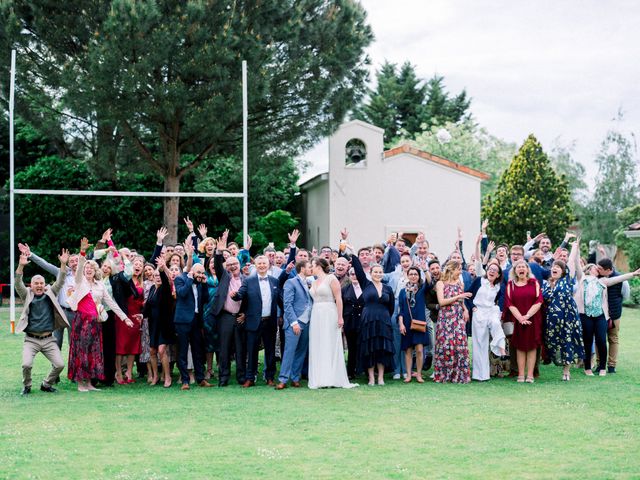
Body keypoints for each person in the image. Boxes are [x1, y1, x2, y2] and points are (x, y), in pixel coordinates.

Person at [68, 238, 134, 392]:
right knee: (82, 352)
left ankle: (90, 383)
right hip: (82, 321)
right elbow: (78, 271)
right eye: (86, 268)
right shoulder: (80, 282)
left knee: (93, 352)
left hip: (95, 322)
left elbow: (112, 303)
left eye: (91, 268)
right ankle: (80, 384)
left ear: (95, 270)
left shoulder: (100, 285)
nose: (89, 270)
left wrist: (125, 318)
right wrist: (83, 252)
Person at [15, 250, 70, 395]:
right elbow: (17, 283)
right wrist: (21, 266)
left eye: (41, 283)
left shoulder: (51, 292)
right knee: (26, 364)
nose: (39, 286)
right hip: (31, 339)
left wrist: (63, 264)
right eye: (36, 283)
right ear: (31, 285)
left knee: (59, 365)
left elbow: (61, 280)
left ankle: (46, 384)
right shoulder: (27, 294)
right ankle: (27, 386)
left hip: (48, 339)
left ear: (45, 284)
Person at [574, 261, 639, 376]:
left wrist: (632, 274)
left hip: (600, 316)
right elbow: (577, 265)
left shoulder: (603, 281)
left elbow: (618, 279)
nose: (598, 270)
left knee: (601, 341)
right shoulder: (582, 280)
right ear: (589, 270)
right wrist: (576, 247)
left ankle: (603, 367)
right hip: (586, 316)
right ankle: (587, 368)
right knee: (587, 342)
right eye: (595, 268)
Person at [307, 257, 357, 389]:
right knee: (318, 343)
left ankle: (332, 377)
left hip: (330, 312)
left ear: (318, 265)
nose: (310, 267)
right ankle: (319, 378)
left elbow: (339, 299)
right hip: (316, 313)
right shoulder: (313, 282)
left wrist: (340, 317)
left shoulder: (331, 279)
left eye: (312, 265)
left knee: (329, 342)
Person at [231, 255, 280, 387]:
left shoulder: (275, 281)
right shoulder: (248, 280)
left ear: (268, 264)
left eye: (264, 263)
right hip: (253, 321)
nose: (262, 265)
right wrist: (235, 296)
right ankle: (250, 378)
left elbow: (279, 300)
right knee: (251, 351)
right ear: (256, 265)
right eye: (259, 264)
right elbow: (241, 293)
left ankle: (270, 377)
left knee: (270, 351)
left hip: (270, 322)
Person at [542, 239, 584, 381]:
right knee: (553, 343)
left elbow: (571, 261)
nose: (555, 268)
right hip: (553, 319)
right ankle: (559, 361)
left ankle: (566, 371)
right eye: (553, 267)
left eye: (558, 267)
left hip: (568, 316)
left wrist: (575, 248)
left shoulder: (567, 280)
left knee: (568, 342)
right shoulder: (546, 285)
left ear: (563, 271)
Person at [351, 255, 395, 386]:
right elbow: (358, 269)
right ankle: (371, 377)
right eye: (375, 272)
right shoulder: (365, 284)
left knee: (382, 348)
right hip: (368, 319)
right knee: (369, 348)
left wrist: (385, 316)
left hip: (383, 320)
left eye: (380, 272)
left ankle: (381, 378)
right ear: (371, 273)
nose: (378, 274)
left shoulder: (388, 288)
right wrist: (353, 252)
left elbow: (391, 306)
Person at [469, 235, 506, 382]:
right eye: (490, 268)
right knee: (480, 344)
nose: (492, 271)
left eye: (495, 270)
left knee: (497, 324)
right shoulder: (480, 279)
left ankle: (500, 347)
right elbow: (469, 295)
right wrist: (472, 308)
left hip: (491, 311)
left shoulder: (498, 287)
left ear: (498, 274)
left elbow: (501, 300)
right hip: (478, 312)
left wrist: (500, 309)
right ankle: (481, 375)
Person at [212, 231, 246, 387]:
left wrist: (245, 314)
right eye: (230, 264)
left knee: (240, 349)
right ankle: (223, 378)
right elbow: (218, 264)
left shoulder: (247, 279)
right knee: (224, 349)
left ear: (239, 264)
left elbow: (251, 300)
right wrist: (219, 251)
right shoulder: (224, 276)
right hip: (225, 317)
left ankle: (241, 377)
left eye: (235, 264)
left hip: (240, 318)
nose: (232, 266)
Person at [173, 263, 212, 390]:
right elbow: (182, 293)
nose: (201, 275)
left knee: (198, 351)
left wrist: (205, 284)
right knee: (183, 351)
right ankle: (185, 380)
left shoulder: (201, 284)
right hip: (183, 321)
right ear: (192, 272)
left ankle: (201, 378)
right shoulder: (180, 279)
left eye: (202, 273)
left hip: (196, 321)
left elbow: (206, 299)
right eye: (199, 273)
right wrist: (189, 279)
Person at [503, 260, 543, 383]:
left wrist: (527, 316)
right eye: (518, 267)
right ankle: (521, 374)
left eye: (523, 267)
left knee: (532, 347)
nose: (521, 269)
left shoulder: (534, 282)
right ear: (515, 271)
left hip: (533, 319)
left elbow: (539, 300)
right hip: (517, 320)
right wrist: (520, 318)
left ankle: (530, 375)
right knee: (519, 347)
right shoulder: (511, 285)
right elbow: (509, 303)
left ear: (527, 270)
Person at [277, 260, 314, 389]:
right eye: (310, 267)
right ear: (302, 269)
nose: (312, 269)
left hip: (308, 322)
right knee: (289, 351)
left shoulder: (310, 282)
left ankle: (295, 377)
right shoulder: (291, 282)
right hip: (295, 322)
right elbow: (287, 304)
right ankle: (283, 379)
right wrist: (294, 323)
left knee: (301, 351)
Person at [433, 261, 471, 383]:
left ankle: (459, 375)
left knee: (459, 346)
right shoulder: (440, 283)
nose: (460, 272)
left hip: (458, 317)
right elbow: (441, 302)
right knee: (445, 346)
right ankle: (444, 375)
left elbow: (462, 301)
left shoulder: (460, 283)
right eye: (458, 269)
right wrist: (458, 297)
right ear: (451, 270)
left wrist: (465, 310)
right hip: (445, 318)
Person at [397, 266, 432, 383]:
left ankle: (419, 374)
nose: (413, 276)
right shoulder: (403, 292)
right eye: (411, 274)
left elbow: (430, 282)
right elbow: (401, 309)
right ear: (407, 276)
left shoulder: (422, 289)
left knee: (419, 350)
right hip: (406, 323)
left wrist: (425, 270)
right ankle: (408, 375)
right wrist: (401, 324)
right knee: (408, 350)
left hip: (420, 323)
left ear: (419, 276)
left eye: (415, 274)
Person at [342, 268, 364, 379]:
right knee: (351, 347)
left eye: (356, 274)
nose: (354, 276)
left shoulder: (367, 288)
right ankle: (350, 371)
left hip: (363, 321)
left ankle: (363, 369)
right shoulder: (345, 289)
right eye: (352, 274)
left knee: (364, 346)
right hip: (349, 322)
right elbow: (340, 306)